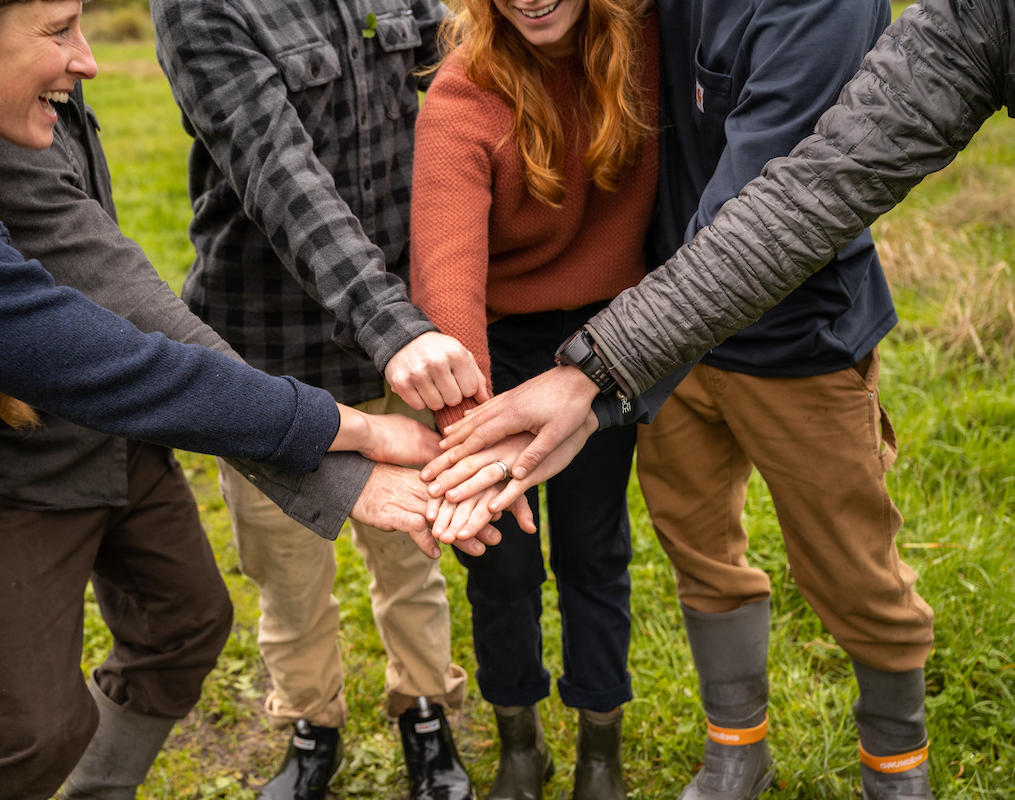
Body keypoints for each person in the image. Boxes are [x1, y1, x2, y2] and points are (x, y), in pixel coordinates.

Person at [0, 0, 504, 795]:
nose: (90, 58)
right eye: (57, 31)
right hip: (2, 462)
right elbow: (112, 359)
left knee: (186, 620)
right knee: (35, 724)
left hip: (101, 442)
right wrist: (353, 438)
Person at [426, 0, 1014, 796]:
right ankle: (737, 748)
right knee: (699, 551)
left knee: (852, 570)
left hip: (795, 343)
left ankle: (896, 764)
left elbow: (770, 201)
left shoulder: (819, 11)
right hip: (663, 351)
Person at [150, 1, 530, 796]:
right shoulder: (199, 7)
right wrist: (394, 328)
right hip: (269, 356)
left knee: (412, 552)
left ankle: (425, 710)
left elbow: (469, 70)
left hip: (400, 349)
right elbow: (277, 171)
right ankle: (310, 724)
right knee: (285, 571)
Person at [408, 0, 658, 797]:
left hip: (614, 337)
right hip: (496, 348)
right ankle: (521, 741)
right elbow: (448, 276)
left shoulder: (645, 52)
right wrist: (470, 437)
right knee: (501, 559)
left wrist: (611, 362)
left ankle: (599, 746)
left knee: (594, 549)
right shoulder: (462, 95)